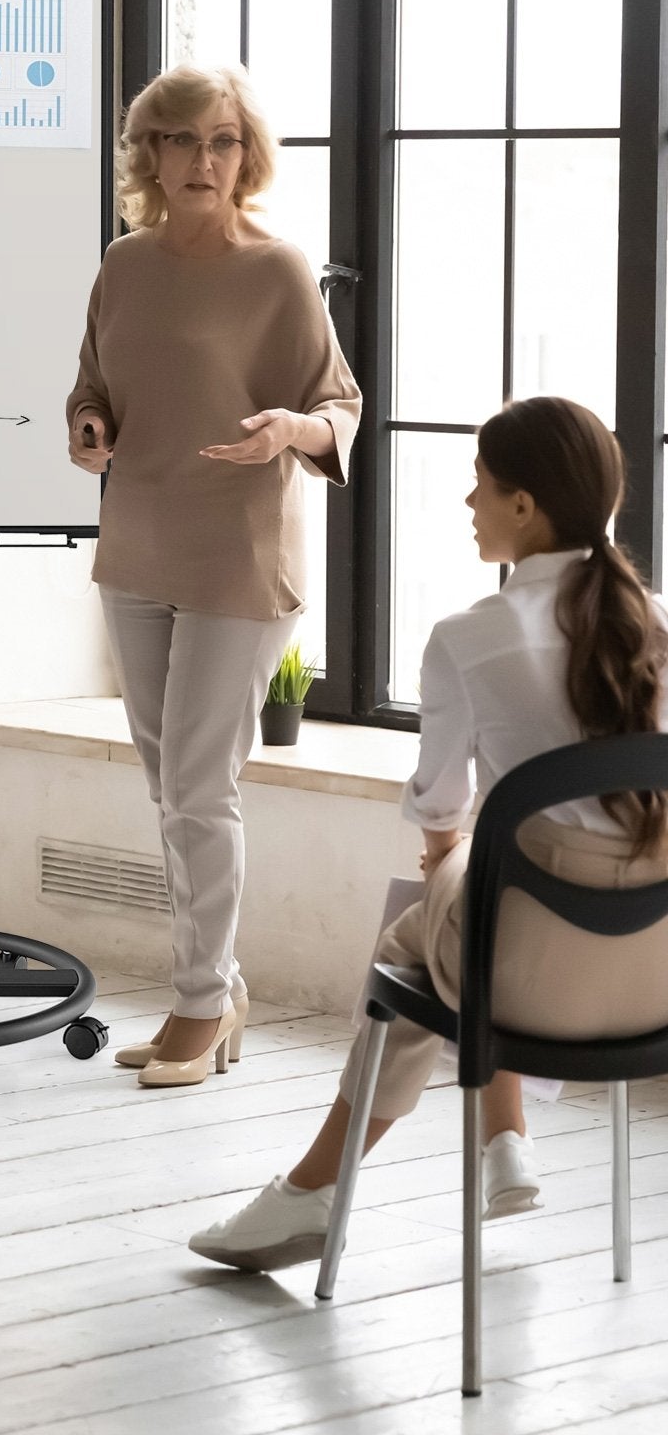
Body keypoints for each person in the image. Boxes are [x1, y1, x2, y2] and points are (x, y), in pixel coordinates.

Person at [191, 396, 668, 1271]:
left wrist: (450, 879)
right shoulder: (661, 622)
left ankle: (317, 1192)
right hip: (656, 980)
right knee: (474, 903)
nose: (468, 503)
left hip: (530, 983)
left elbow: (441, 820)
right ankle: (498, 1142)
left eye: (480, 485)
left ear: (525, 507)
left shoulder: (468, 639)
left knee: (423, 928)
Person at [67, 63, 361, 1088]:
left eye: (220, 142)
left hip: (240, 553)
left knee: (199, 784)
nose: (200, 159)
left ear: (246, 157)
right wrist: (89, 426)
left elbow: (339, 405)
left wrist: (292, 428)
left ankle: (199, 1003)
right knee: (169, 785)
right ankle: (215, 989)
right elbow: (92, 385)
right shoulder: (124, 265)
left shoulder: (276, 270)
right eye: (180, 140)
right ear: (148, 152)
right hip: (139, 543)